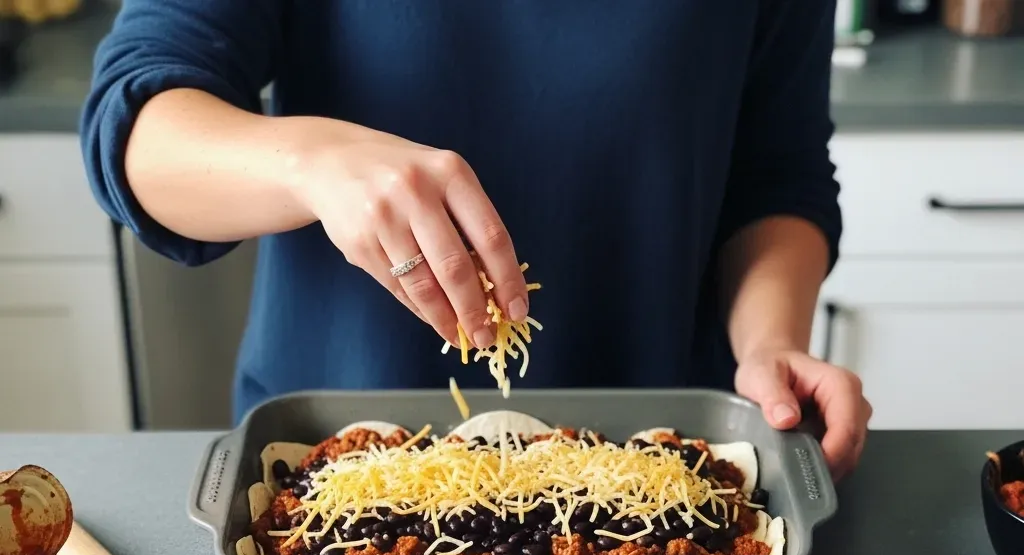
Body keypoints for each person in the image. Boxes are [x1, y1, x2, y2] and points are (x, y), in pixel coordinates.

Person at [82, 0, 870, 478]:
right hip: (340, 459)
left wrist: (768, 341)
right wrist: (312, 162)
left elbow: (776, 174)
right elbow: (136, 129)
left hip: (658, 453)